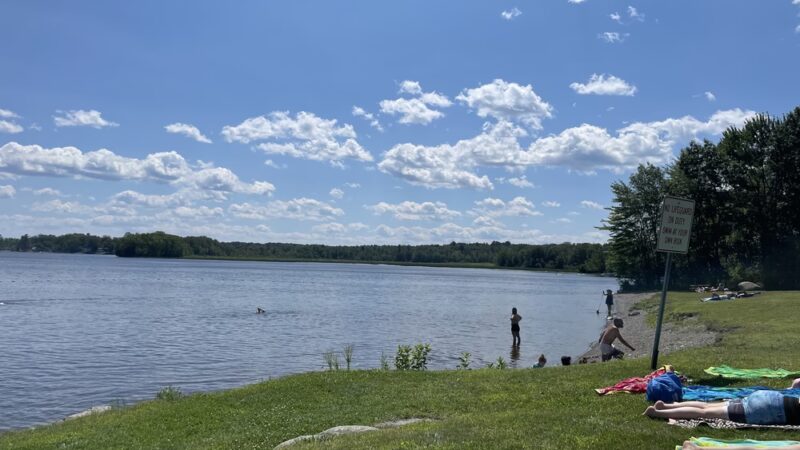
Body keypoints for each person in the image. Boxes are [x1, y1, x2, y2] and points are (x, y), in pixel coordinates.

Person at [643, 390, 800, 426]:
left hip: (767, 396)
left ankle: (668, 405)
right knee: (705, 412)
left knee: (707, 405)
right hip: (766, 410)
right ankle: (658, 412)